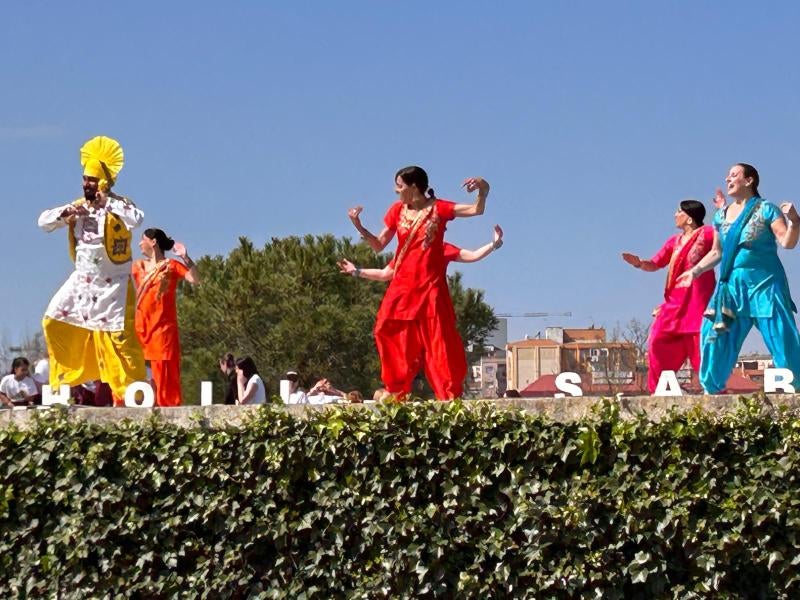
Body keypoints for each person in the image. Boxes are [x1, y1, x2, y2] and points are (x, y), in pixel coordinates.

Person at [347, 166, 490, 400]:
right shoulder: (397, 211)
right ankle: (396, 389)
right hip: (402, 286)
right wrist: (359, 226)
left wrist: (482, 187)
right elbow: (379, 245)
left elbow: (477, 209)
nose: (396, 190)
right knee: (384, 329)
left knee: (439, 343)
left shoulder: (440, 208)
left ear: (414, 187)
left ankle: (448, 395)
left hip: (430, 288)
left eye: (399, 186)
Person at [38, 136, 146, 405]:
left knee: (122, 341)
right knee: (52, 321)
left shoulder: (119, 206)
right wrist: (67, 212)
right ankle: (67, 378)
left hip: (114, 286)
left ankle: (134, 392)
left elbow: (138, 218)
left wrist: (106, 202)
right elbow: (43, 222)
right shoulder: (77, 207)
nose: (86, 184)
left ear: (104, 183)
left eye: (91, 180)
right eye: (85, 179)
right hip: (83, 283)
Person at [676, 163, 800, 393]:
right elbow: (717, 252)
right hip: (732, 288)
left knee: (782, 337)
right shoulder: (721, 216)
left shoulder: (766, 209)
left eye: (734, 175)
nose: (728, 179)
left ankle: (795, 388)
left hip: (765, 285)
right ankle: (711, 391)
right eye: (727, 176)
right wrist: (695, 270)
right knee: (713, 334)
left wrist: (794, 221)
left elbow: (787, 242)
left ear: (749, 180)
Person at [622, 201, 716, 393]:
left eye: (678, 211)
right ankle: (659, 390)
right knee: (657, 340)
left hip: (698, 302)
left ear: (689, 217)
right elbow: (656, 263)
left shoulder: (708, 233)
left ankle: (714, 391)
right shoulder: (674, 242)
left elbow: (720, 250)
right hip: (675, 303)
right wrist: (639, 263)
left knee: (702, 350)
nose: (675, 215)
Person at [131, 228, 200, 407]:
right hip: (141, 328)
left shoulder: (171, 265)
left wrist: (185, 257)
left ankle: (168, 410)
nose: (139, 243)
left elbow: (194, 279)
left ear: (153, 242)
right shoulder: (138, 266)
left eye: (143, 239)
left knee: (165, 373)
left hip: (163, 330)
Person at [338, 225, 504, 281]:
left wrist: (494, 244)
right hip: (409, 307)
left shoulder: (443, 248)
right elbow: (384, 274)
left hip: (431, 308)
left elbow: (473, 256)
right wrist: (356, 271)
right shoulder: (406, 251)